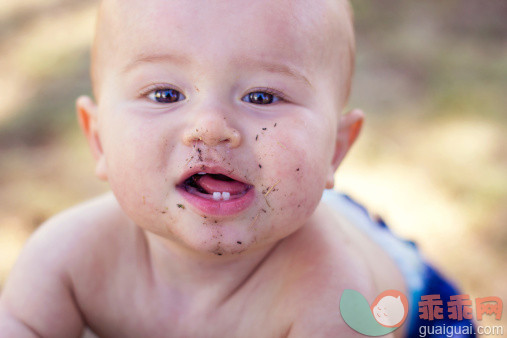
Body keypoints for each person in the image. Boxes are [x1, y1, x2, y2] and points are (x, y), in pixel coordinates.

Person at [0, 0, 475, 337]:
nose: (209, 128)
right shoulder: (65, 259)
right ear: (98, 137)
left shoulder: (334, 298)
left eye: (262, 96)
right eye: (165, 94)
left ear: (334, 150)